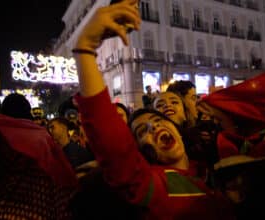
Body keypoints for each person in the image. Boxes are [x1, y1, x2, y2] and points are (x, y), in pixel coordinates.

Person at [72, 0, 235, 218]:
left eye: (158, 121)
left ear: (178, 129)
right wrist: (84, 50)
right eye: (142, 132)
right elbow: (112, 142)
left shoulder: (214, 165)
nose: (153, 126)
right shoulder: (151, 183)